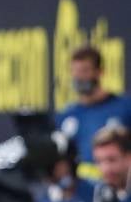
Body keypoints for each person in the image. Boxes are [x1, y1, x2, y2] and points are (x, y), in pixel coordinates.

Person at [56, 46, 131, 181]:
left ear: (99, 72)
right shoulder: (67, 115)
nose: (79, 77)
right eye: (75, 71)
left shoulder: (125, 107)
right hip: (83, 191)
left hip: (120, 186)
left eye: (85, 71)